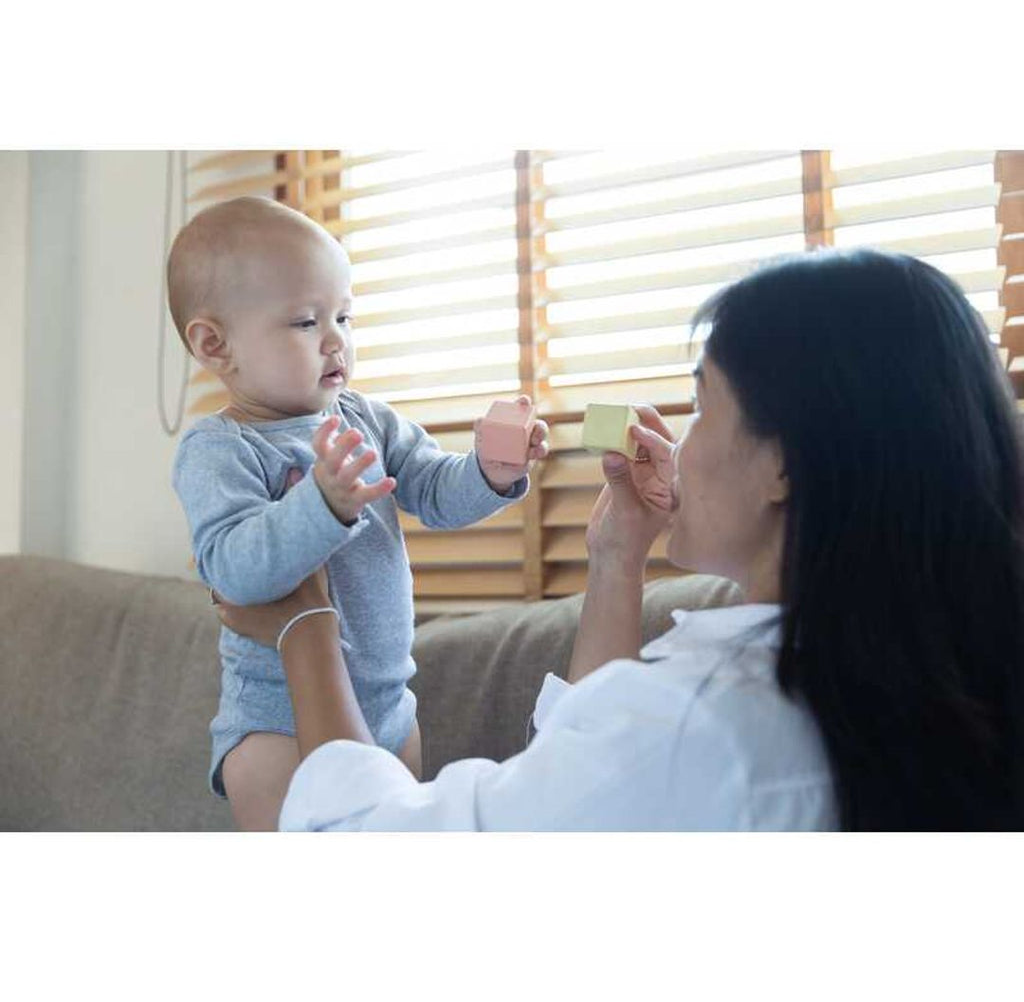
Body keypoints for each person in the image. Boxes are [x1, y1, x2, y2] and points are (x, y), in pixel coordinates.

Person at [216, 248, 1024, 831]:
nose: (684, 435)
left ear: (784, 463)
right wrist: (616, 559)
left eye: (703, 404)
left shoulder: (701, 724)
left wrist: (306, 625)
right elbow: (589, 773)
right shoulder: (898, 680)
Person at [169, 196, 549, 830]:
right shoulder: (219, 449)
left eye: (343, 316)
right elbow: (234, 571)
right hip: (275, 725)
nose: (335, 341)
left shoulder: (365, 418)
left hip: (390, 712)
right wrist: (321, 504)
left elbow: (431, 487)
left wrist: (489, 470)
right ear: (216, 345)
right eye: (304, 323)